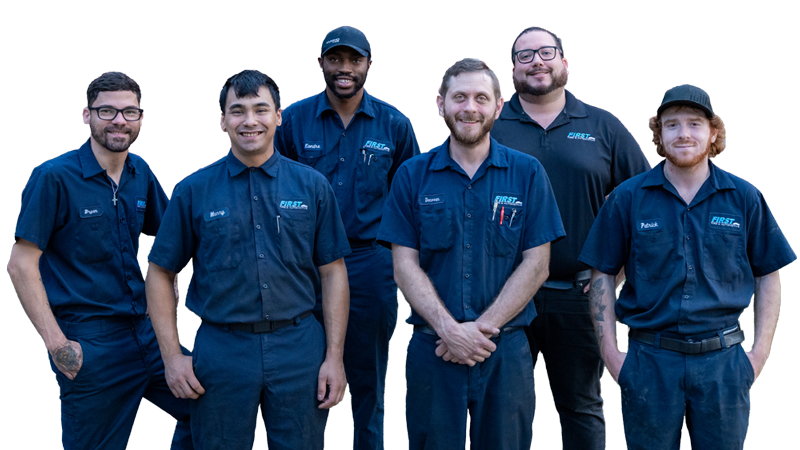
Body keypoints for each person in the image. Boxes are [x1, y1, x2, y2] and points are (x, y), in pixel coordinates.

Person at [579, 84, 796, 450]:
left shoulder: (743, 197)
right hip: (650, 362)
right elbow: (601, 273)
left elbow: (768, 275)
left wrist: (759, 355)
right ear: (659, 134)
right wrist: (611, 355)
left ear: (713, 133)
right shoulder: (627, 198)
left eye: (695, 124)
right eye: (672, 125)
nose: (683, 134)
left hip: (723, 363)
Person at [145, 69, 351, 450]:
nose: (250, 121)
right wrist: (172, 357)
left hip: (299, 349)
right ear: (222, 120)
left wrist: (334, 358)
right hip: (222, 352)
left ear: (278, 116)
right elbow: (159, 270)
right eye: (238, 111)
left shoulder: (312, 186)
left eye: (261, 109)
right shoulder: (193, 191)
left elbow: (333, 272)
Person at [378, 58, 565, 450]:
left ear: (498, 107)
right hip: (433, 349)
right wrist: (450, 331)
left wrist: (477, 333)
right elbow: (403, 265)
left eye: (481, 98)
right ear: (441, 104)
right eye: (459, 97)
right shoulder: (411, 176)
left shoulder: (528, 173)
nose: (470, 107)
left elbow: (538, 264)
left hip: (505, 350)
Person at [8, 71, 192, 449]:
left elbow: (172, 239)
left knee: (210, 404)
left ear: (141, 120)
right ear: (87, 116)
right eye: (107, 111)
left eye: (129, 112)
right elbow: (21, 264)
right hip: (91, 343)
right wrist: (60, 346)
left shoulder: (141, 173)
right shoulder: (53, 177)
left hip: (146, 334)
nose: (119, 121)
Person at [490, 26, 650, 449]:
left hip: (578, 295)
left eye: (546, 52)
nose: (536, 61)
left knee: (581, 409)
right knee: (504, 407)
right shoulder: (491, 125)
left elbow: (648, 197)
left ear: (564, 62)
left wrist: (614, 274)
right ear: (512, 70)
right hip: (504, 295)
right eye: (525, 56)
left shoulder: (603, 126)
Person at [274, 25, 420, 450]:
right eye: (335, 60)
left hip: (368, 262)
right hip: (302, 265)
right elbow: (273, 187)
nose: (344, 69)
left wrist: (396, 261)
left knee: (369, 375)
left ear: (369, 67)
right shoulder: (292, 122)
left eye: (354, 60)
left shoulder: (394, 125)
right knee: (304, 371)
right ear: (320, 65)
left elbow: (407, 200)